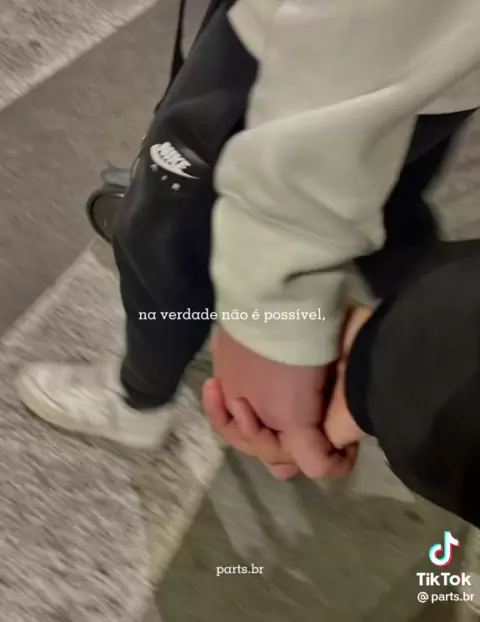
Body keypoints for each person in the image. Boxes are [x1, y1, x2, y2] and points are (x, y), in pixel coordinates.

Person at [15, 1, 480, 479]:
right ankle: (429, 350)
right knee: (392, 198)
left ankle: (135, 398)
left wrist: (270, 309)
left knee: (165, 228)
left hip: (317, 42)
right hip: (447, 59)